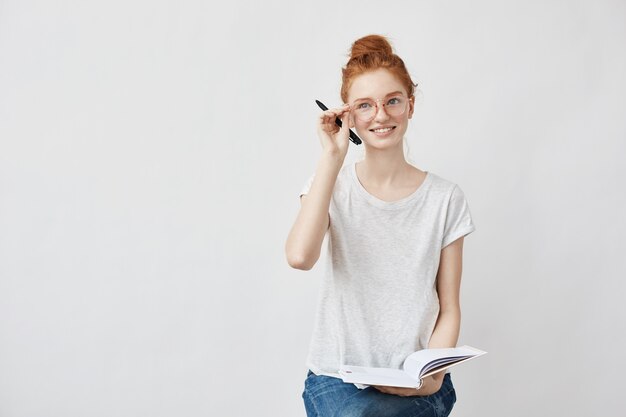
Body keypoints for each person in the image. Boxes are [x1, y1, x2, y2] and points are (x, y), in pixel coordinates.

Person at [285, 34, 476, 417]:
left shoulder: (445, 198)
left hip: (418, 380)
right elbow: (300, 257)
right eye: (365, 106)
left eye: (392, 101)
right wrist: (332, 156)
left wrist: (432, 378)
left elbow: (449, 307)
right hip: (338, 378)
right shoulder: (331, 185)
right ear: (348, 116)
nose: (381, 115)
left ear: (411, 105)